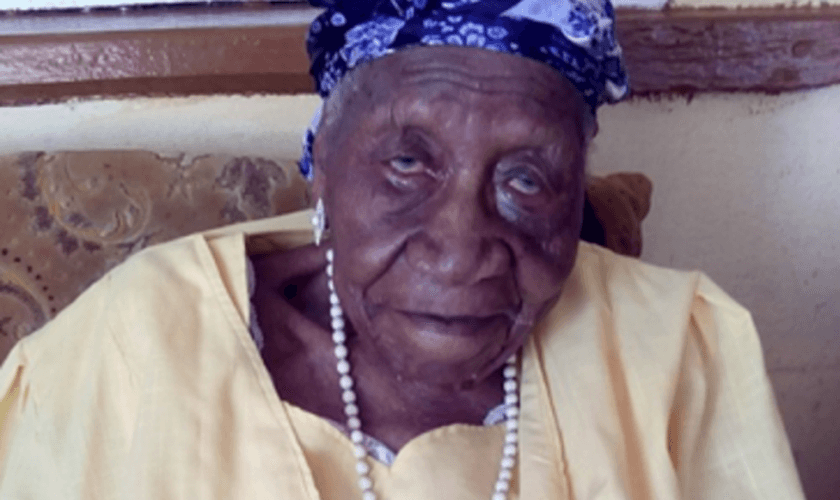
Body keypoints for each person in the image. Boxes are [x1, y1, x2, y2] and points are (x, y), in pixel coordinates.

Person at [0, 1, 805, 499]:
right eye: (408, 162)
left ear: (577, 195)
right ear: (321, 172)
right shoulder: (123, 351)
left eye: (527, 179)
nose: (462, 251)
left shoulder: (676, 347)